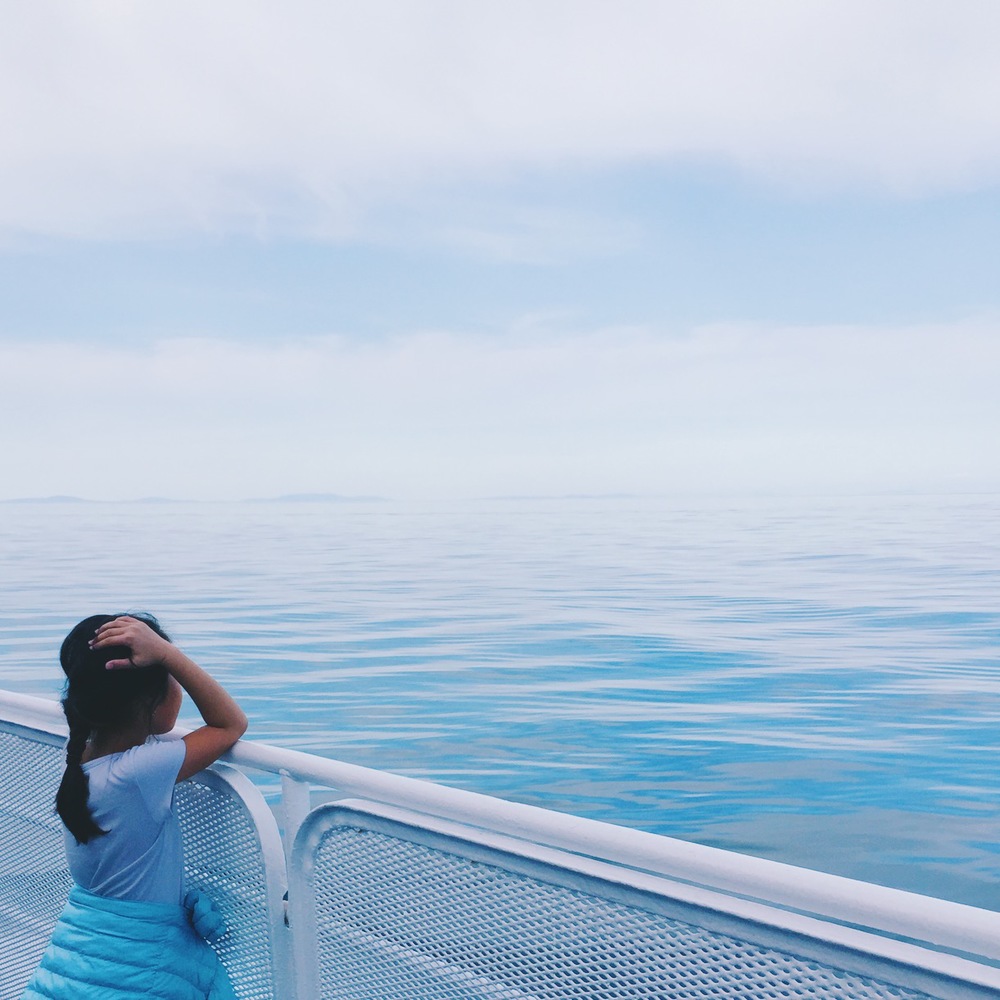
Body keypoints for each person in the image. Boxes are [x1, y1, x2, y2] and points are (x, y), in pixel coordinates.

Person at [21, 613, 248, 1000]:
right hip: (138, 962)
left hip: (92, 947)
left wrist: (163, 658)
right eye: (170, 678)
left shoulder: (82, 759)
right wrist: (168, 654)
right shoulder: (139, 772)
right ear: (149, 698)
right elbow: (230, 724)